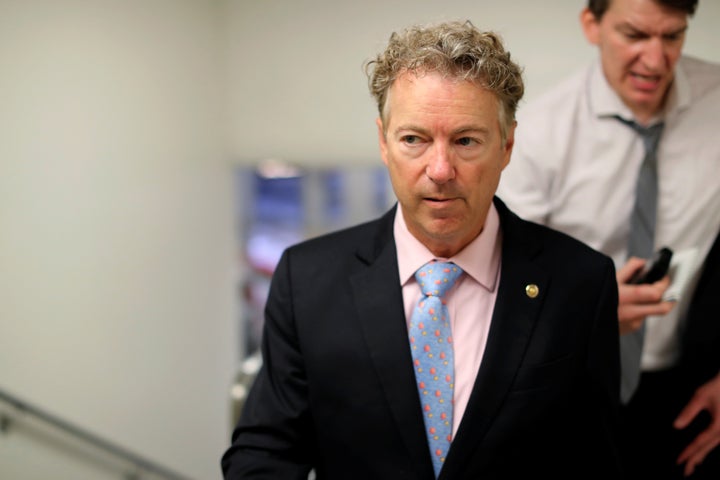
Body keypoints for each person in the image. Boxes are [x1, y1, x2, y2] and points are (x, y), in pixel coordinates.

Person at [222, 20, 623, 479]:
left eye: (466, 141)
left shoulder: (580, 282)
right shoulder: (307, 280)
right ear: (384, 142)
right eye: (414, 139)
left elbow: (597, 463)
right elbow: (265, 454)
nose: (440, 169)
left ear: (507, 145)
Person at [496, 0, 720, 478]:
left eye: (673, 36)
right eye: (635, 35)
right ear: (591, 25)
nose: (656, 61)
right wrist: (588, 316)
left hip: (690, 386)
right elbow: (502, 280)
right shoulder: (537, 135)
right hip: (566, 383)